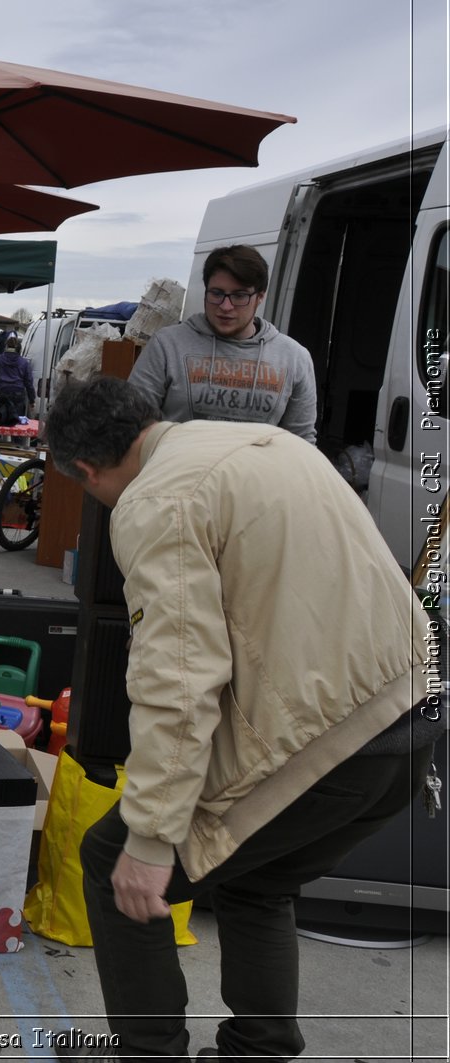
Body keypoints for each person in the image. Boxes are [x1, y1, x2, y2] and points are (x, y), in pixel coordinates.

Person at [42, 376, 439, 1062]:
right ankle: (259, 1048)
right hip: (413, 715)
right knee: (259, 879)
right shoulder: (269, 443)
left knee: (115, 857)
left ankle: (148, 1051)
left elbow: (179, 681)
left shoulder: (154, 502)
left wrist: (151, 836)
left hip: (331, 742)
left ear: (86, 470)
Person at [128, 243, 318, 443]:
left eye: (239, 296)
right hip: (179, 473)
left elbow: (302, 441)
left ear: (260, 297)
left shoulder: (294, 358)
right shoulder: (167, 346)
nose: (226, 306)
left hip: (255, 474)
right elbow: (133, 422)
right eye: (217, 293)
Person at [0, 334, 34, 420]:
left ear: (5, 347)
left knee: (0, 420)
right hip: (18, 395)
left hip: (3, 394)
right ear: (19, 349)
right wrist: (32, 399)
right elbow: (29, 382)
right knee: (17, 423)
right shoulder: (24, 363)